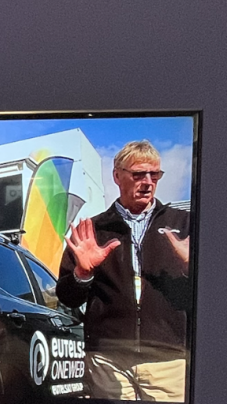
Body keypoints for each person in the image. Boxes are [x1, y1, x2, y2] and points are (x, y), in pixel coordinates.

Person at [57, 141, 191, 401]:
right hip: (108, 359)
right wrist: (82, 273)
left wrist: (192, 270)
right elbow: (67, 297)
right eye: (139, 174)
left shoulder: (185, 225)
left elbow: (215, 296)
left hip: (168, 359)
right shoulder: (92, 231)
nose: (148, 182)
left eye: (155, 175)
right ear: (117, 176)